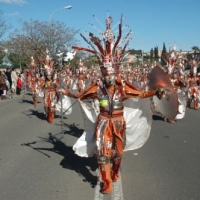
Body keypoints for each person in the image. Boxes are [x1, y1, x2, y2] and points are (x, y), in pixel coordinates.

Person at [59, 15, 169, 194]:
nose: (108, 76)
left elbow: (140, 94)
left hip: (118, 123)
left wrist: (155, 91)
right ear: (102, 73)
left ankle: (115, 170)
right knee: (102, 153)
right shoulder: (97, 89)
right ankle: (106, 179)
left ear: (115, 72)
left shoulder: (123, 89)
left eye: (111, 73)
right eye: (105, 73)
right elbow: (81, 96)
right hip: (103, 123)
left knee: (117, 153)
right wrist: (67, 93)